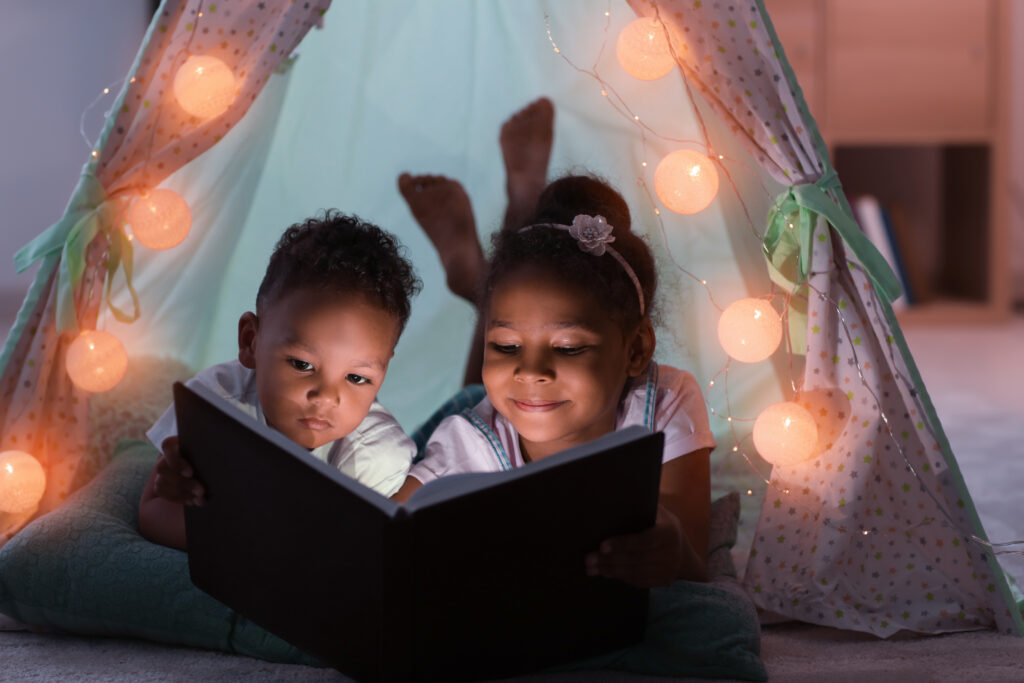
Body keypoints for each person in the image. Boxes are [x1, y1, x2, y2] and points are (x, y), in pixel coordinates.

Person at [394, 100, 714, 586]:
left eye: (567, 348)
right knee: (474, 398)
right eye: (502, 347)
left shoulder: (665, 404)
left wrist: (674, 553)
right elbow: (380, 540)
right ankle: (484, 269)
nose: (531, 372)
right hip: (474, 407)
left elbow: (691, 554)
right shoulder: (466, 439)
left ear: (635, 350)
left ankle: (487, 262)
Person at [138, 211, 422, 550]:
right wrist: (181, 490)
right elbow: (153, 510)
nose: (326, 396)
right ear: (250, 341)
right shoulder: (216, 402)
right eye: (302, 364)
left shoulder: (374, 456)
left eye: (357, 377)